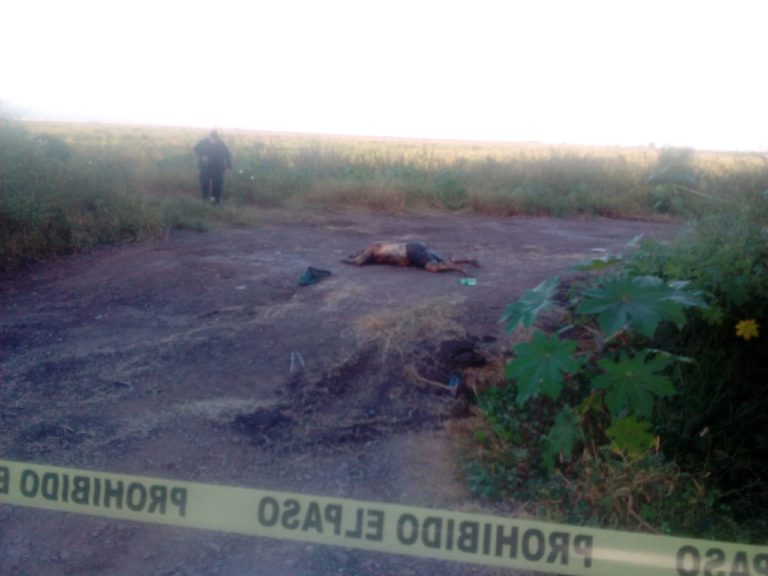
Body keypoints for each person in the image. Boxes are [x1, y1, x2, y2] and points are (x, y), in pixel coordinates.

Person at [193, 130, 232, 205]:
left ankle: (215, 201)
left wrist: (228, 166)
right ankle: (205, 199)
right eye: (212, 139)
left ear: (217, 138)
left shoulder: (221, 144)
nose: (213, 141)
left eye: (215, 139)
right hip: (205, 167)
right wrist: (202, 156)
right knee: (204, 183)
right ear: (209, 137)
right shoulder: (203, 142)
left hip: (217, 168)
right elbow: (195, 149)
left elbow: (227, 155)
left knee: (217, 184)